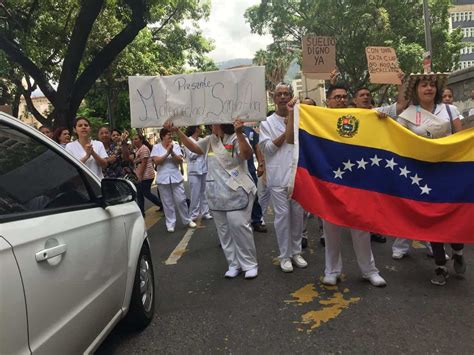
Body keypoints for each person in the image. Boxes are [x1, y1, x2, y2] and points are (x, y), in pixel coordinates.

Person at [287, 85, 387, 287]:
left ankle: (369, 271)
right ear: (328, 101)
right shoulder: (317, 119)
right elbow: (291, 139)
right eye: (336, 97)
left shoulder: (363, 116)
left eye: (344, 96)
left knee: (361, 229)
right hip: (329, 184)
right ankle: (332, 271)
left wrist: (383, 121)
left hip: (357, 183)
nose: (341, 100)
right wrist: (292, 114)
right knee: (331, 230)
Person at [394, 73, 464, 286]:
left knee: (453, 214)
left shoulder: (450, 110)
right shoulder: (407, 114)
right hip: (422, 173)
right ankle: (440, 265)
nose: (428, 88)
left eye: (432, 85)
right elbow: (396, 139)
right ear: (416, 90)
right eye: (423, 85)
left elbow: (460, 140)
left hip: (448, 170)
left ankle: (458, 250)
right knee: (432, 217)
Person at [165, 119, 259, 280]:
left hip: (236, 191)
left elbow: (246, 155)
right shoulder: (209, 140)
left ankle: (249, 264)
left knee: (239, 227)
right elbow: (193, 147)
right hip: (216, 192)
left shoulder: (236, 138)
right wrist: (178, 132)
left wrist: (239, 133)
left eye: (214, 123)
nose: (211, 125)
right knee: (224, 232)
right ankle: (233, 264)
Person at [259, 83, 308, 273]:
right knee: (282, 218)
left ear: (291, 96)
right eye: (279, 94)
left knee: (298, 217)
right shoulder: (266, 123)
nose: (282, 97)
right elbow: (267, 149)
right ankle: (285, 256)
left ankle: (296, 252)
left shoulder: (300, 118)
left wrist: (293, 121)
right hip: (278, 178)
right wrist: (286, 130)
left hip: (297, 176)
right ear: (274, 98)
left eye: (286, 94)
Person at [151, 128, 196, 232]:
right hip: (163, 178)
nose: (170, 137)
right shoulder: (156, 147)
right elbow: (157, 162)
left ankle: (187, 220)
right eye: (168, 135)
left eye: (171, 135)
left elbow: (180, 160)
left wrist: (172, 153)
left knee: (181, 200)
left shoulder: (175, 146)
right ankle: (170, 223)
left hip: (176, 177)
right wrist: (167, 153)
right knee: (167, 203)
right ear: (162, 136)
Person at [242, 124, 267, 233]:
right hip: (233, 172)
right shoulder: (225, 129)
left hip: (249, 169)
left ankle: (256, 220)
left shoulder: (249, 131)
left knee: (254, 194)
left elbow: (257, 147)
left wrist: (261, 164)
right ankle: (239, 224)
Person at [184, 126, 213, 221]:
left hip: (203, 169)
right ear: (196, 129)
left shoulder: (202, 139)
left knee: (204, 192)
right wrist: (201, 151)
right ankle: (193, 214)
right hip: (194, 171)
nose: (201, 129)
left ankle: (206, 212)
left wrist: (200, 150)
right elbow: (191, 155)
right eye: (200, 127)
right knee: (195, 194)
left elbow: (206, 152)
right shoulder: (188, 140)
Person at [133, 134, 163, 216]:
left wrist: (140, 176)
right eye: (133, 139)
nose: (134, 141)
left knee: (146, 193)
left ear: (141, 140)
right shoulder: (138, 149)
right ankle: (141, 212)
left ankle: (162, 205)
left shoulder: (144, 149)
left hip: (146, 175)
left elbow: (144, 164)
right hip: (141, 175)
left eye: (136, 139)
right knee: (139, 194)